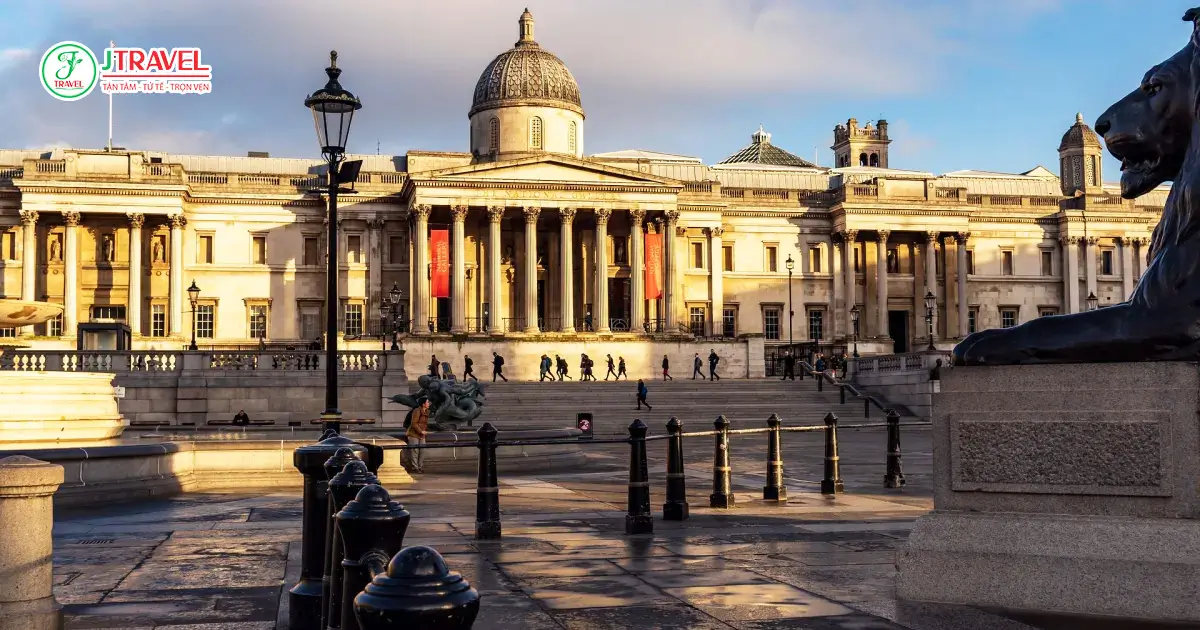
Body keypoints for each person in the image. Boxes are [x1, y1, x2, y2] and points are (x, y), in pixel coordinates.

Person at [407, 398, 430, 474]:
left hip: (422, 434)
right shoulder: (417, 410)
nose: (429, 403)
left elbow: (424, 423)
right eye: (427, 402)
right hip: (414, 434)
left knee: (422, 451)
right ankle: (415, 468)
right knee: (415, 451)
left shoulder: (427, 411)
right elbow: (414, 423)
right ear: (423, 404)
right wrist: (421, 431)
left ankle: (420, 467)